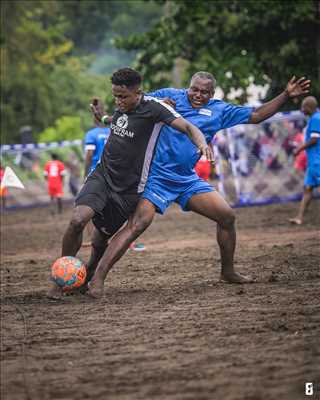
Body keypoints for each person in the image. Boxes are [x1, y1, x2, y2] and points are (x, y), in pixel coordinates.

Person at [85, 72, 310, 299]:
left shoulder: (220, 110)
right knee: (138, 223)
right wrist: (105, 118)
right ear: (188, 87)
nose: (198, 95)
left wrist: (286, 95)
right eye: (194, 89)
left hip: (185, 178)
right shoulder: (168, 96)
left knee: (226, 216)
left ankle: (228, 272)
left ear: (212, 94)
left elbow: (258, 114)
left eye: (205, 92)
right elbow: (134, 107)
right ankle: (98, 278)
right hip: (154, 176)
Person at [47, 67, 213, 299]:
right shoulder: (121, 107)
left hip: (128, 189)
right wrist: (100, 116)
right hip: (102, 176)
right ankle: (59, 279)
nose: (118, 100)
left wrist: (201, 143)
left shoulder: (155, 108)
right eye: (115, 95)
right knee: (77, 220)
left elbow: (187, 126)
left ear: (138, 93)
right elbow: (115, 121)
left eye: (123, 96)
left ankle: (91, 275)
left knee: (100, 238)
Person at [289, 96, 320, 225]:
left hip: (317, 161)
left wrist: (299, 149)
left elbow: (314, 140)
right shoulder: (313, 118)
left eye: (303, 107)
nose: (301, 109)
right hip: (312, 161)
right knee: (307, 189)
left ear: (308, 107)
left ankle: (300, 217)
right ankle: (299, 218)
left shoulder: (316, 118)